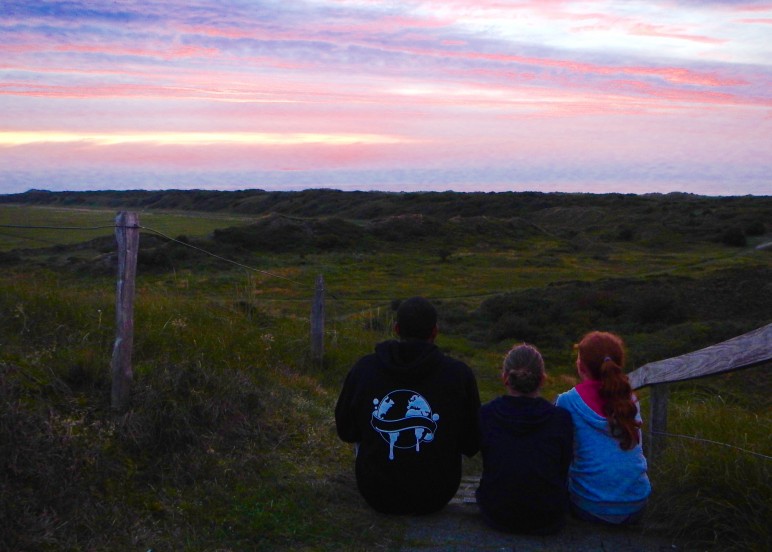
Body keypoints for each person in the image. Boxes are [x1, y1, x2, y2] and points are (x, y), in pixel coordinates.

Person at [335, 296, 481, 515]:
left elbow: (346, 431)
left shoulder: (365, 369)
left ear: (396, 328)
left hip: (377, 493)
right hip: (437, 494)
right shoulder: (459, 375)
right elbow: (471, 443)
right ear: (435, 331)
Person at [476, 343, 574, 535]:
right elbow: (563, 466)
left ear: (505, 378)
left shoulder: (486, 414)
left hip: (496, 512)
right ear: (542, 379)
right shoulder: (561, 419)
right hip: (548, 515)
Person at [555, 331, 651, 525]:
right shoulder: (631, 400)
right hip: (637, 504)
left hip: (589, 506)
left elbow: (559, 452)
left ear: (581, 366)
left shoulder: (567, 401)